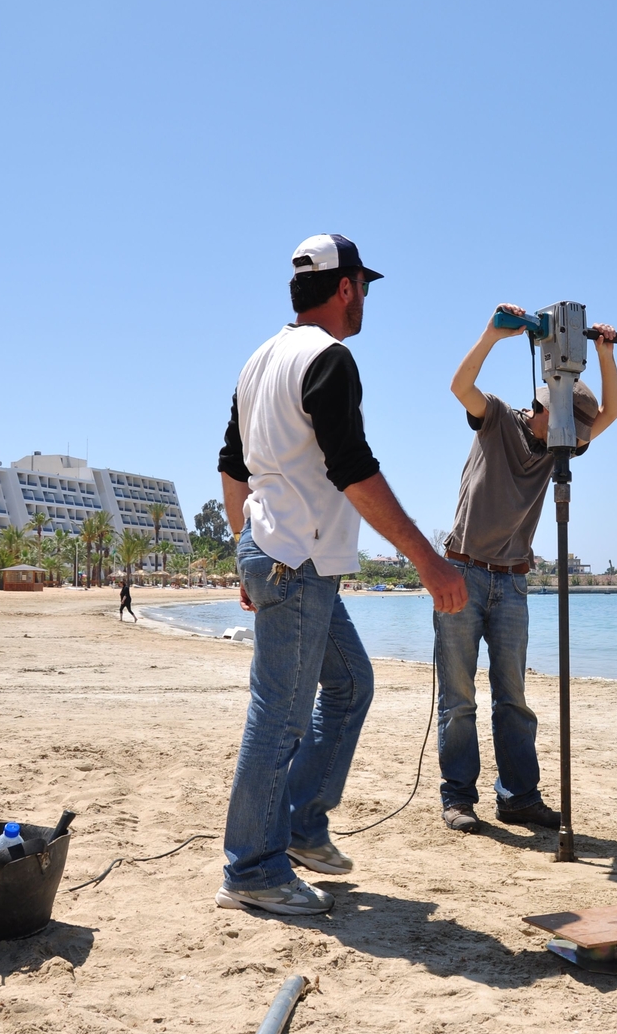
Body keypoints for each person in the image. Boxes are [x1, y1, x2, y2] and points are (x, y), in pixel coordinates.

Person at [213, 234, 468, 917]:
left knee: (351, 683)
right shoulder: (328, 357)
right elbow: (352, 468)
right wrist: (427, 560)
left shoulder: (259, 360)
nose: (365, 303)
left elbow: (232, 466)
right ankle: (252, 869)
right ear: (346, 287)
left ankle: (300, 824)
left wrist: (244, 547)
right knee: (279, 717)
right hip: (294, 559)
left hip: (282, 554)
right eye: (364, 289)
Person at [434, 305, 617, 834]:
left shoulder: (560, 446)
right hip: (463, 572)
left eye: (577, 433)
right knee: (459, 698)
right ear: (541, 407)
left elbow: (612, 412)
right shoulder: (496, 417)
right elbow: (460, 386)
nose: (573, 439)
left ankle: (518, 798)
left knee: (513, 699)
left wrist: (605, 355)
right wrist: (492, 335)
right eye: (565, 426)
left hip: (513, 581)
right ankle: (458, 797)